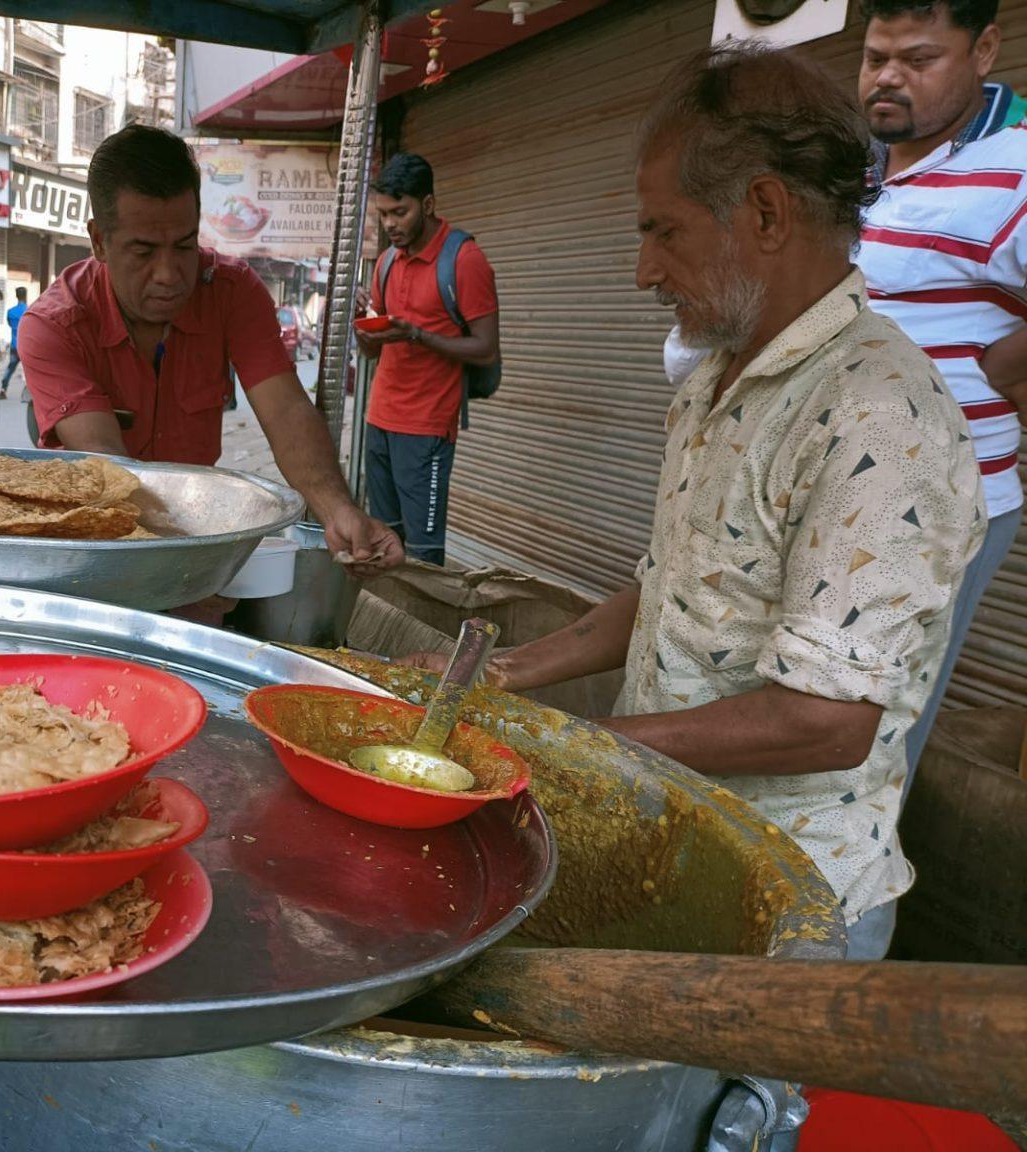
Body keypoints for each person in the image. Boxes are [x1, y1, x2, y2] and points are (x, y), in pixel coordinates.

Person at [412, 45, 985, 962]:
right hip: (677, 854)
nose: (642, 270)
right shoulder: (715, 377)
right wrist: (502, 676)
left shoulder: (881, 417)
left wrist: (575, 753)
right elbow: (674, 585)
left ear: (763, 211)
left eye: (663, 231)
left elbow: (828, 722)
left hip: (785, 906)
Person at [19, 124, 401, 573]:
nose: (168, 273)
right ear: (99, 240)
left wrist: (339, 511)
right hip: (93, 562)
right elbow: (116, 474)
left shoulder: (231, 291)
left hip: (198, 565)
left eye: (184, 246)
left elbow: (286, 411)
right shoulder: (53, 325)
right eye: (143, 252)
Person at [855, 0, 1027, 790]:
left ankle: (850, 911)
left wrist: (1006, 364)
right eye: (875, 56)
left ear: (984, 48)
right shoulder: (861, 164)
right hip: (837, 493)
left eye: (918, 59)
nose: (888, 77)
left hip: (937, 506)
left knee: (865, 748)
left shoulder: (1016, 167)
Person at [356, 153, 500, 567]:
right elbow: (372, 351)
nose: (390, 225)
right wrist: (364, 322)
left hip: (426, 428)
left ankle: (422, 630)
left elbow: (485, 347)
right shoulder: (385, 263)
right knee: (385, 542)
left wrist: (419, 335)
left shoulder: (464, 260)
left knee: (422, 553)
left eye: (400, 212)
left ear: (429, 204)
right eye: (383, 214)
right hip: (379, 420)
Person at [2, 285, 28, 399]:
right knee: (29, 370)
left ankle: (3, 388)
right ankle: (30, 393)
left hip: (14, 344)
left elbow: (10, 324)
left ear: (16, 296)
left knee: (10, 368)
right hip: (26, 346)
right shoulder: (29, 310)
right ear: (25, 296)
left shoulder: (10, 312)